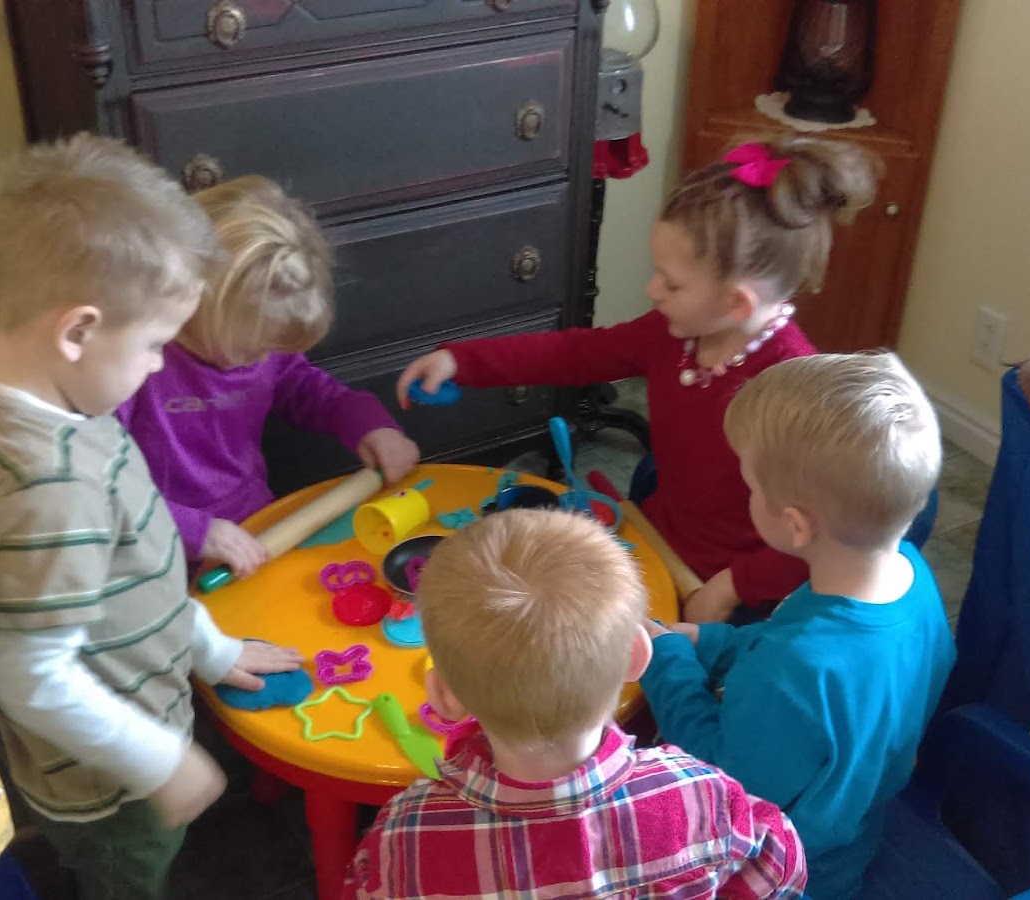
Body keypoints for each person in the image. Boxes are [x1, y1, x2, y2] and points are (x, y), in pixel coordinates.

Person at [0, 135, 303, 899]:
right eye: (154, 345)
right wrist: (159, 761)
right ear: (77, 331)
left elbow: (139, 561)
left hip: (137, 708)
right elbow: (28, 671)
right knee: (130, 879)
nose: (157, 367)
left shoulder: (51, 410)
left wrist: (210, 648)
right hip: (108, 787)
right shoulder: (48, 491)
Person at [396, 135, 878, 622]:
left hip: (736, 595)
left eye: (671, 283)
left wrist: (730, 588)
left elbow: (817, 537)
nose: (653, 290)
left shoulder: (794, 391)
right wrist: (463, 361)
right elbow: (574, 353)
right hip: (657, 538)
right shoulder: (673, 333)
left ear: (737, 303)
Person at [343, 510, 807, 900]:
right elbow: (781, 868)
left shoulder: (403, 837)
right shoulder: (705, 798)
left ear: (443, 695)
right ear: (636, 656)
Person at [639, 352, 956, 900]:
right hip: (852, 827)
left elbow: (723, 779)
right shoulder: (906, 574)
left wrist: (667, 665)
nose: (746, 496)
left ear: (795, 525)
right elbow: (791, 635)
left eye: (750, 487)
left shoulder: (794, 671)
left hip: (780, 873)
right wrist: (711, 642)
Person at [120, 175, 419, 576]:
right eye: (249, 349)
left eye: (270, 347)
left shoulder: (256, 343)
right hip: (158, 550)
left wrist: (367, 425)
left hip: (257, 527)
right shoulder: (134, 364)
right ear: (194, 301)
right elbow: (99, 490)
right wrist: (195, 531)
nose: (262, 359)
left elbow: (301, 385)